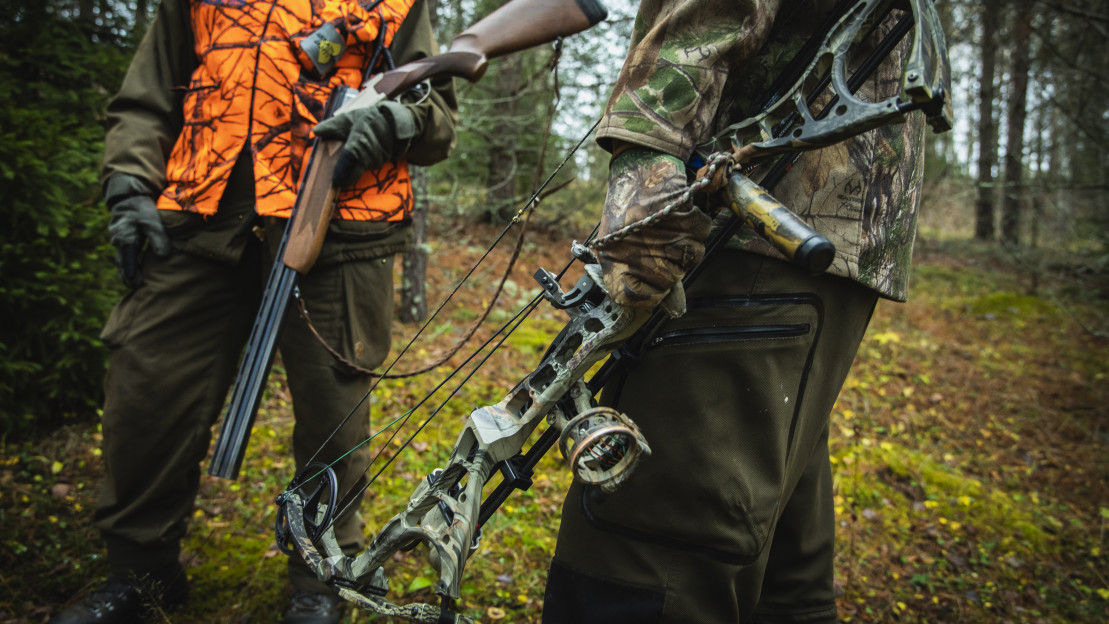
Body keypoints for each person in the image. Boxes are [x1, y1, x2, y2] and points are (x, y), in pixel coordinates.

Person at [49, 0, 456, 623]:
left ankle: (321, 584)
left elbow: (437, 119)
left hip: (338, 221)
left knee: (332, 418)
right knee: (147, 392)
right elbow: (147, 94)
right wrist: (129, 183)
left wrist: (394, 121)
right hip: (194, 215)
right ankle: (140, 574)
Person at [543, 1, 930, 622]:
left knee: (643, 567)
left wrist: (649, 159)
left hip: (750, 234)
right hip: (816, 233)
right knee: (781, 576)